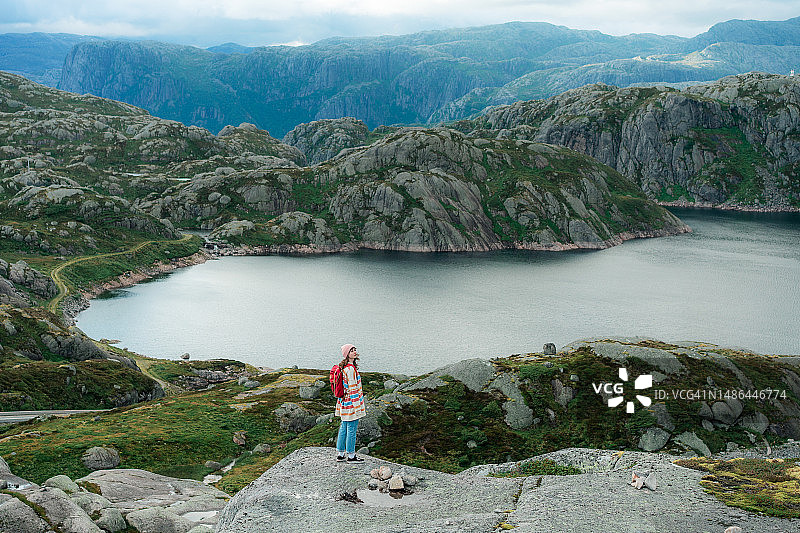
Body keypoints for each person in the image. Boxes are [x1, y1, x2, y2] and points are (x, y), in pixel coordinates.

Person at [335, 343, 366, 462]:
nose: (354, 352)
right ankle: (351, 455)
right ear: (347, 354)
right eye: (351, 350)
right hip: (351, 404)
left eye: (354, 349)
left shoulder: (344, 368)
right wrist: (357, 407)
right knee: (351, 429)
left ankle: (340, 453)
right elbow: (353, 390)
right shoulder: (351, 369)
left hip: (344, 403)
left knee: (344, 427)